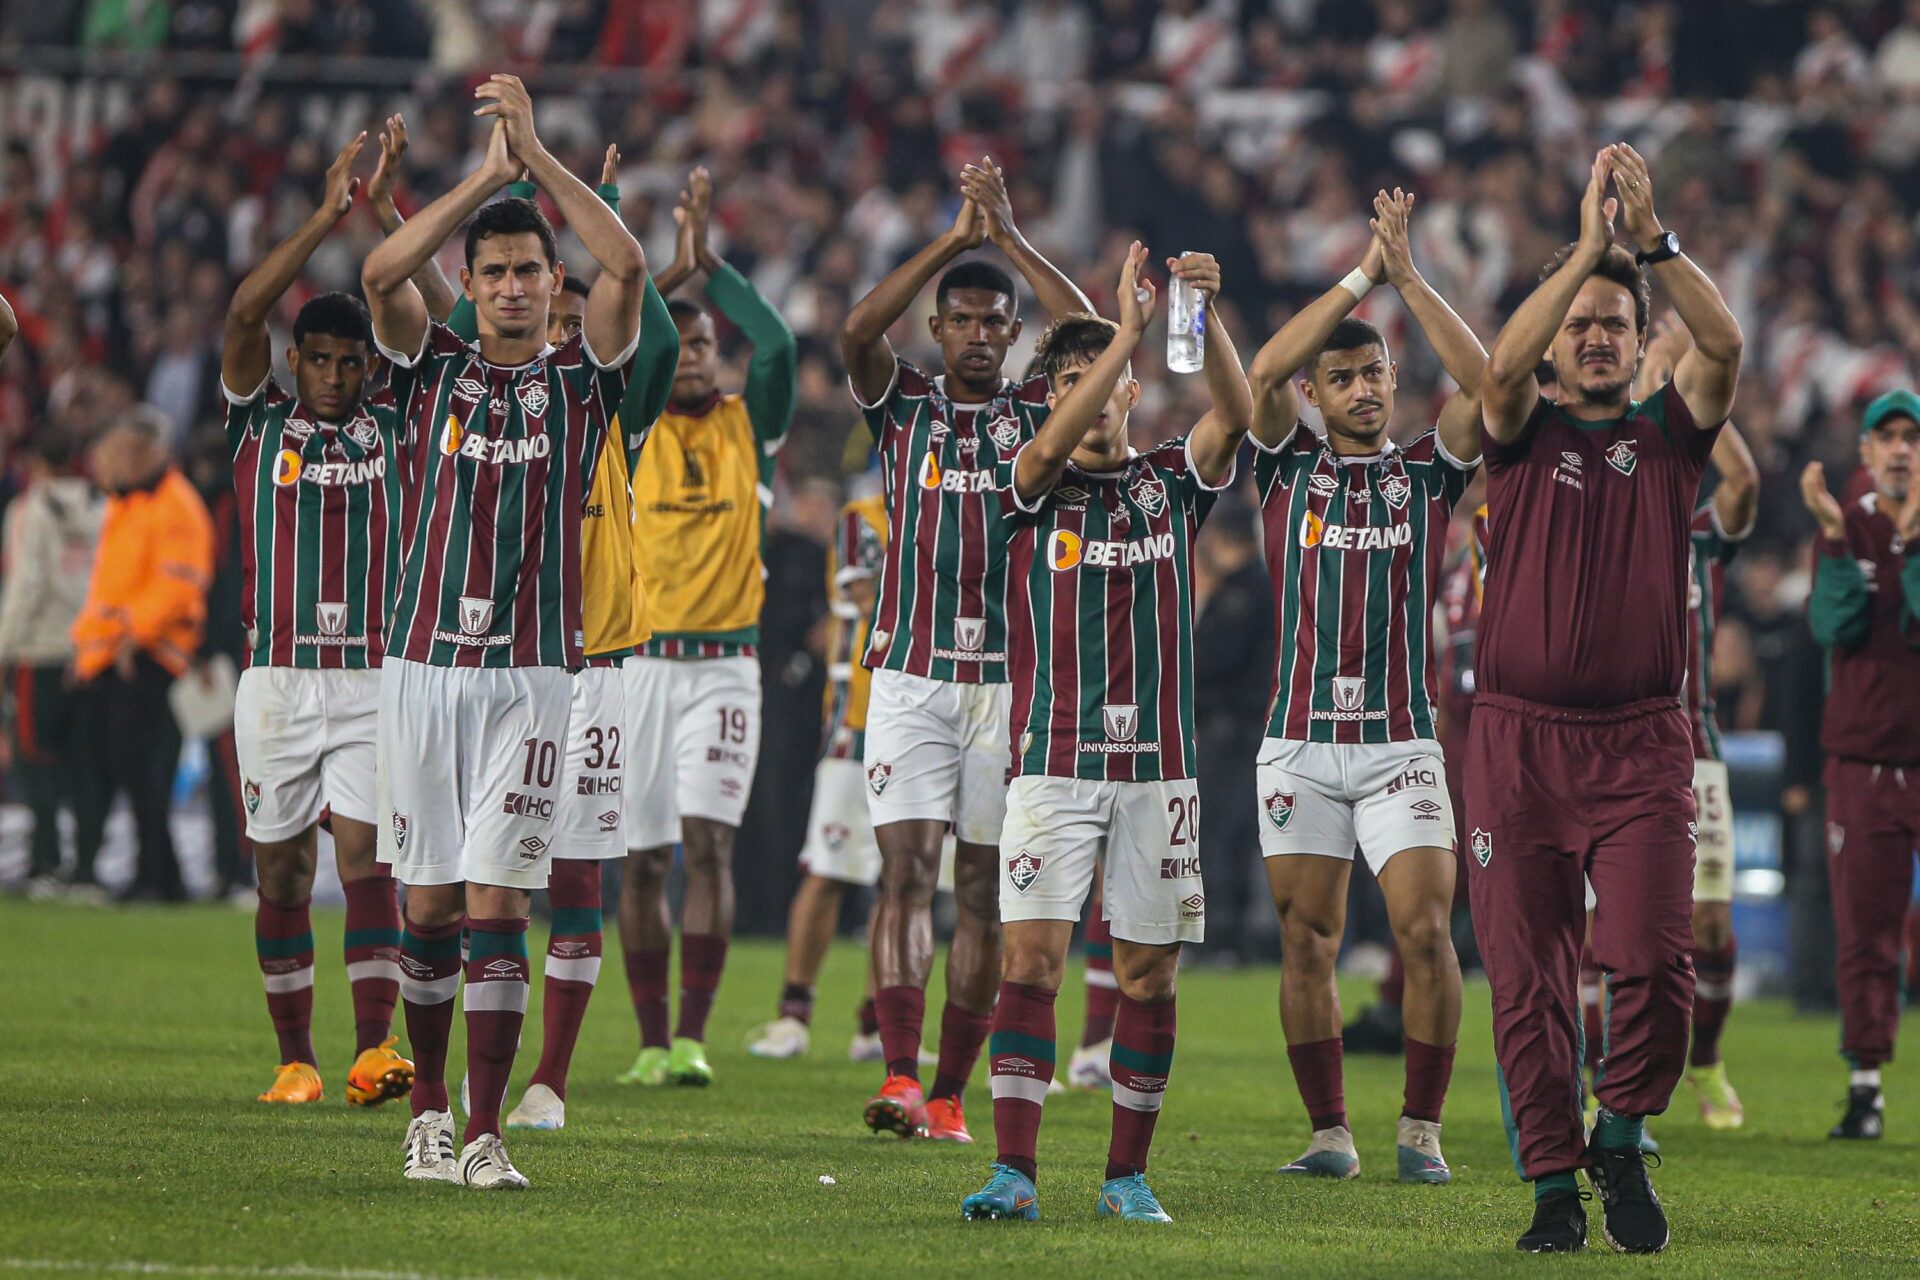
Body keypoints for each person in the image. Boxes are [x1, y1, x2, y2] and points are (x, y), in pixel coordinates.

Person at [361, 75, 646, 1190]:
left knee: (500, 905)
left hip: (534, 676)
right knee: (426, 907)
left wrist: (539, 156)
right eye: (495, 272)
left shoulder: (585, 380)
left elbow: (626, 267)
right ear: (470, 287)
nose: (516, 285)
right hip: (424, 667)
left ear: (550, 283)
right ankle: (425, 1110)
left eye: (531, 269)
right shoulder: (430, 366)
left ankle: (484, 1129)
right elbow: (383, 273)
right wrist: (485, 178)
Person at [1473, 145, 1743, 1254]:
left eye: (1613, 324)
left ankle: (1622, 1130)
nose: (1593, 336)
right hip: (1517, 744)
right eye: (1577, 321)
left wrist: (1652, 241)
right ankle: (1551, 1185)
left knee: (1656, 963)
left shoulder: (1669, 440)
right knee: (1528, 980)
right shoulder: (1518, 430)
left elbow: (1722, 344)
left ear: (1640, 347)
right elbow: (1496, 371)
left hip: (1640, 745)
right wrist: (1590, 247)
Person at [961, 242, 1250, 1223]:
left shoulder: (1172, 481)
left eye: (1102, 382)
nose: (1086, 397)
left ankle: (1127, 1171)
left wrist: (1197, 318)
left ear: (1130, 391)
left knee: (1146, 972)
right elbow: (1045, 449)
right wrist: (1123, 333)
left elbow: (1241, 417)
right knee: (1031, 962)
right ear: (1051, 396)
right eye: (1067, 383)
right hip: (1051, 767)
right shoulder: (1027, 486)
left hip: (1159, 776)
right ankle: (1015, 1170)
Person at [840, 158, 1091, 1142]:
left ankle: (949, 1092)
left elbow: (1098, 343)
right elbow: (858, 329)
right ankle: (901, 1075)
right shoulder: (904, 404)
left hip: (1006, 684)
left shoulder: (1040, 412)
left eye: (999, 321)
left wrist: (1014, 239)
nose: (984, 335)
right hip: (909, 671)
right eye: (966, 320)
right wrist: (953, 240)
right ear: (938, 331)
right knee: (904, 872)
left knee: (982, 888)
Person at [1242, 190, 1482, 1184]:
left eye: (1374, 372)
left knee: (1426, 928)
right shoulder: (1280, 471)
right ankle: (1329, 1131)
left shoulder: (1427, 471)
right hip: (1296, 740)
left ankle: (1421, 1130)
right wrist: (1358, 275)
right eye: (1341, 377)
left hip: (1398, 745)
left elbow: (1490, 380)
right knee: (1309, 937)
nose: (1363, 390)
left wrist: (1408, 278)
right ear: (1316, 391)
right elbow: (1258, 371)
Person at [437, 145, 678, 1133]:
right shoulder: (479, 385)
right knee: (472, 878)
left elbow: (649, 324)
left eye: (577, 320)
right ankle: (454, 1072)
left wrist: (603, 201)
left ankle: (550, 1079)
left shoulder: (611, 404)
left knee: (575, 871)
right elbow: (455, 324)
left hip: (597, 666)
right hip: (500, 658)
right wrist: (516, 205)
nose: (563, 332)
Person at [222, 122, 443, 1108]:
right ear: (297, 363)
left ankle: (371, 1050)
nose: (337, 377)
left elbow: (437, 327)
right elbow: (242, 311)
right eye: (319, 361)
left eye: (351, 362)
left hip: (370, 675)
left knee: (364, 858)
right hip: (274, 675)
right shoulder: (256, 420)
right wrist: (321, 218)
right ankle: (294, 1057)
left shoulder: (399, 422)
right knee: (279, 871)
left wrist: (390, 215)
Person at [617, 166, 797, 1089]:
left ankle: (692, 1034)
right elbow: (636, 343)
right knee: (643, 858)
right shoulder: (637, 423)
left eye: (704, 346)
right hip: (641, 665)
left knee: (710, 845)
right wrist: (654, 268)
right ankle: (650, 1038)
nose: (692, 356)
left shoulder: (748, 424)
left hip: (726, 666)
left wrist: (709, 266)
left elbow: (779, 344)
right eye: (680, 345)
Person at [1631, 317, 1761, 1132]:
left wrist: (1698, 388)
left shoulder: (1701, 539)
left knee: (1710, 919)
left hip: (1695, 744)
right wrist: (1655, 375)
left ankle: (1705, 1061)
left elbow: (1742, 484)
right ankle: (1603, 1070)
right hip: (1616, 737)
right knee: (1604, 923)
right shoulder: (1616, 515)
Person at [1800, 388, 1920, 1142]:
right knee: (1867, 932)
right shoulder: (1840, 527)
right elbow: (1831, 623)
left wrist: (1909, 546)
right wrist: (1840, 540)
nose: (1904, 448)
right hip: (1865, 764)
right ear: (1868, 452)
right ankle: (1866, 1087)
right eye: (1890, 437)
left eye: (1913, 436)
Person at [748, 488, 893, 1061]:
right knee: (829, 867)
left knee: (904, 880)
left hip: (931, 725)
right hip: (857, 719)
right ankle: (793, 1014)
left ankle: (874, 1026)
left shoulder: (964, 512)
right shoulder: (864, 518)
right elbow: (868, 594)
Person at [72, 408, 215, 903]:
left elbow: (178, 585)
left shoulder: (175, 504)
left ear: (145, 452)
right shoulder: (125, 505)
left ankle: (154, 877)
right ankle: (162, 876)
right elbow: (107, 587)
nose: (106, 464)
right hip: (118, 656)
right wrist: (89, 648)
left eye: (117, 453)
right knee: (133, 772)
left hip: (154, 657)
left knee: (146, 772)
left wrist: (132, 635)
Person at [0, 431, 105, 898]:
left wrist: (4, 647)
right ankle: (85, 868)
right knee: (85, 765)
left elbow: (29, 585)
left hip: (39, 650)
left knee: (37, 761)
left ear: (36, 461)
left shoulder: (28, 510)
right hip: (87, 654)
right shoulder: (101, 504)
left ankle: (45, 863)